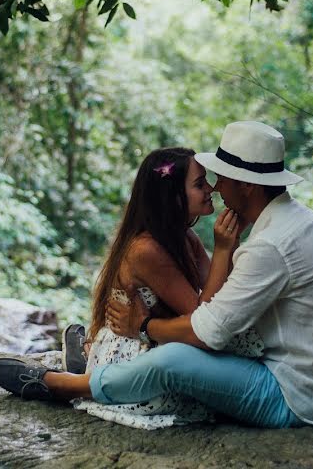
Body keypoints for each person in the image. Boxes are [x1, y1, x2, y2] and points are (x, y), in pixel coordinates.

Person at [0, 121, 313, 429]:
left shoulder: (269, 246)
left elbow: (208, 332)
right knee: (187, 354)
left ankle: (65, 385)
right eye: (206, 181)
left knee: (173, 363)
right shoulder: (302, 223)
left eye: (221, 178)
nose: (216, 188)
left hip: (297, 398)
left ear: (247, 185)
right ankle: (93, 368)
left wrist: (144, 325)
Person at [67, 147, 262, 428]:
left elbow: (219, 292)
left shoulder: (186, 237)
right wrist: (222, 250)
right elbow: (202, 315)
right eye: (199, 184)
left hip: (165, 335)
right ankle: (84, 369)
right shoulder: (146, 250)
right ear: (173, 197)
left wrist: (233, 242)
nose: (211, 188)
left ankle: (79, 359)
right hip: (138, 355)